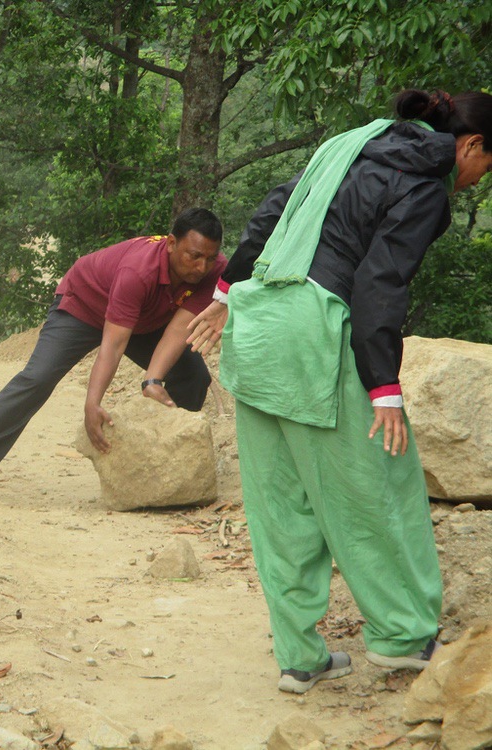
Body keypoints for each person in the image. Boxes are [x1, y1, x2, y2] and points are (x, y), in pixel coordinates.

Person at [187, 89, 492, 694]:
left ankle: (299, 657)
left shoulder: (350, 144)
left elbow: (274, 210)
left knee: (280, 504)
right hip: (314, 334)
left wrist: (225, 292)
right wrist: (384, 385)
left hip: (261, 323)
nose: (481, 181)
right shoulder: (426, 184)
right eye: (489, 167)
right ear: (472, 146)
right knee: (377, 485)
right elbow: (380, 281)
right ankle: (403, 637)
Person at [0, 208, 227, 495]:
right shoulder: (138, 271)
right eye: (194, 256)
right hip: (84, 307)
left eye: (210, 257)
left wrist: (152, 380)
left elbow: (179, 330)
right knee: (38, 378)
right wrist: (92, 403)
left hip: (146, 318)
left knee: (193, 376)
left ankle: (168, 468)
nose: (202, 266)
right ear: (171, 244)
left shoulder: (215, 272)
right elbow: (113, 345)